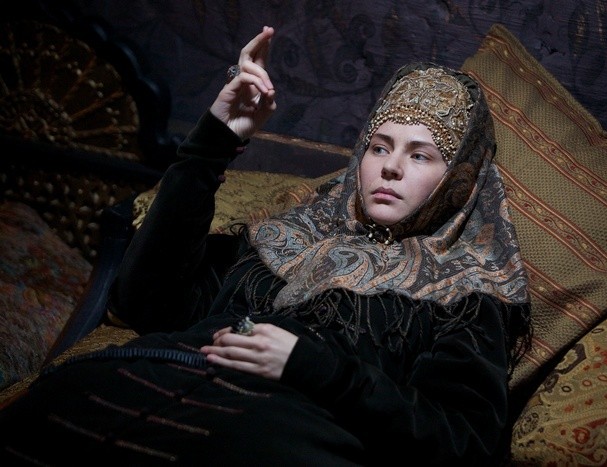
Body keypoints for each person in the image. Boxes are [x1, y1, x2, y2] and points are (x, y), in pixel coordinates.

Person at [0, 26, 531, 465]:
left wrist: (314, 367)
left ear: (460, 180)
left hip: (269, 438)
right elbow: (145, 302)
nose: (390, 167)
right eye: (379, 146)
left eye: (420, 155)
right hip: (147, 386)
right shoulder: (286, 234)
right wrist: (213, 141)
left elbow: (459, 442)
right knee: (40, 410)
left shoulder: (462, 293)